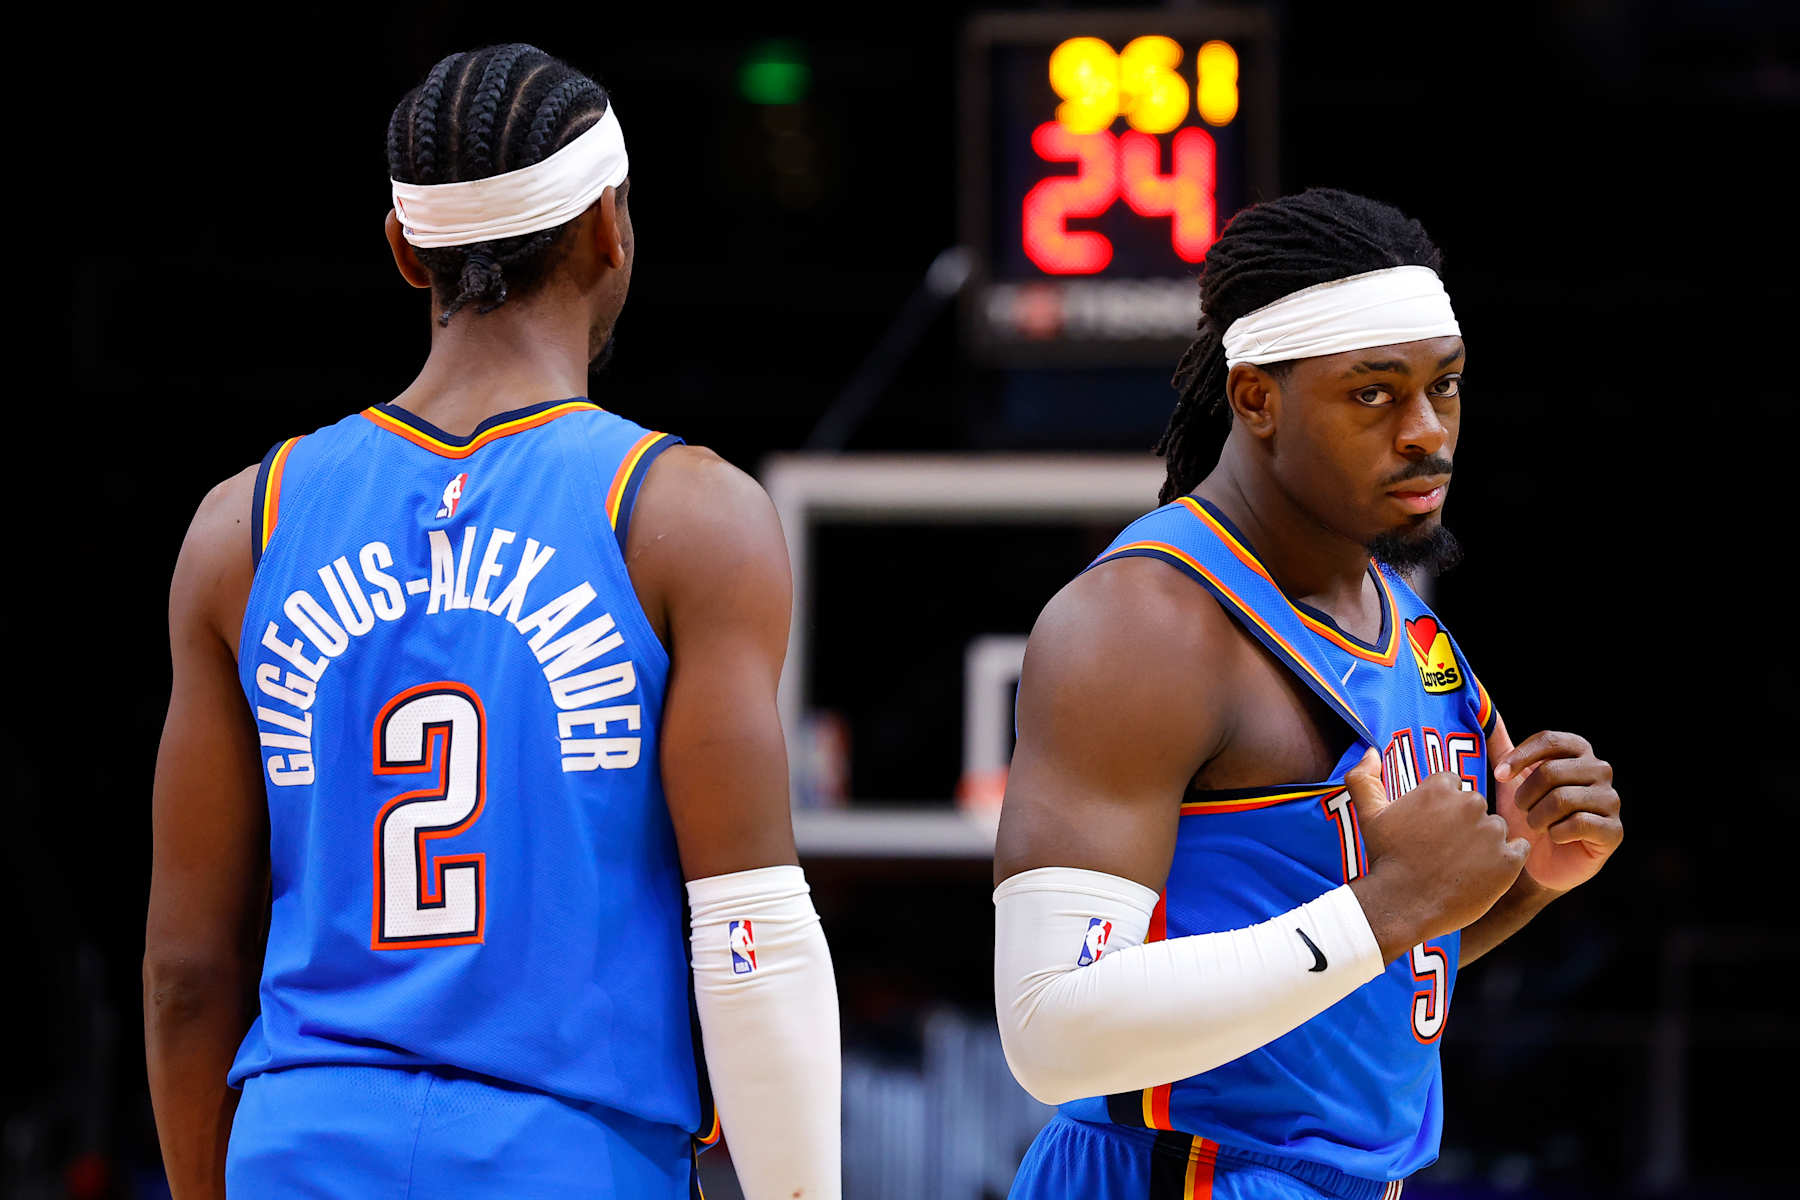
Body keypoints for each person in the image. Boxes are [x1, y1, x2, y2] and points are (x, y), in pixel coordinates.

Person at [144, 44, 840, 1199]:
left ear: (405, 249)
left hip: (298, 1139)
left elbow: (183, 972)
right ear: (611, 230)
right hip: (564, 1151)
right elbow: (749, 941)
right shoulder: (682, 514)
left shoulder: (241, 526)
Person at [993, 189, 1623, 1199]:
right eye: (1374, 394)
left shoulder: (1405, 623)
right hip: (1181, 1173)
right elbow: (1048, 1033)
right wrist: (1383, 909)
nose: (1427, 432)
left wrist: (1535, 874)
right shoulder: (1145, 625)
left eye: (1446, 388)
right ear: (1256, 399)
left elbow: (1393, 959)